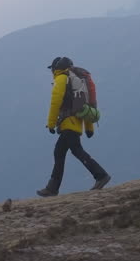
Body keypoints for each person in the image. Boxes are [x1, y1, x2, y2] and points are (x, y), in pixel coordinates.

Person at [37, 56, 111, 197]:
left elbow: (55, 102)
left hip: (68, 124)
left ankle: (101, 175)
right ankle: (52, 188)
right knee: (60, 152)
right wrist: (89, 128)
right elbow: (86, 103)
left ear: (55, 68)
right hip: (76, 124)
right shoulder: (76, 80)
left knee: (75, 151)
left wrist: (51, 123)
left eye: (52, 69)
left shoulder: (62, 78)